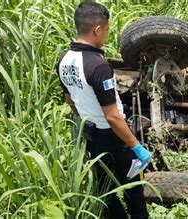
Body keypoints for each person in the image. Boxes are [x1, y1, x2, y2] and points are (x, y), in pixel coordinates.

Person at [55, 2, 151, 218]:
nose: (106, 35)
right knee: (133, 190)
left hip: (90, 133)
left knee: (105, 188)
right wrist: (136, 146)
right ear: (97, 29)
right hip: (113, 136)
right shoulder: (98, 65)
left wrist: (84, 119)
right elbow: (112, 116)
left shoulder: (64, 60)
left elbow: (70, 100)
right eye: (106, 30)